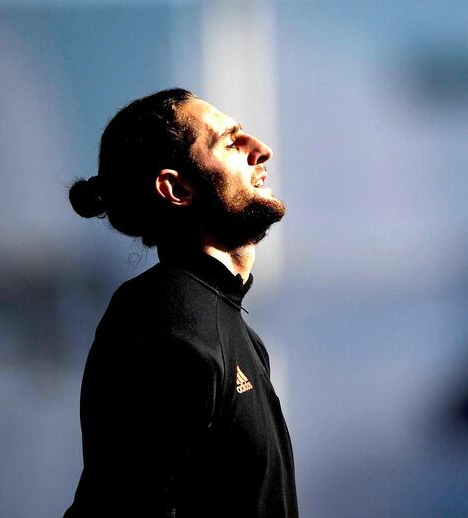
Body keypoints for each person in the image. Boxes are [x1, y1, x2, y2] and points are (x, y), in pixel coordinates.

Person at [64, 88, 297, 517]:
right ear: (176, 188)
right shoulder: (168, 321)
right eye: (230, 141)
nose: (261, 150)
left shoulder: (226, 325)